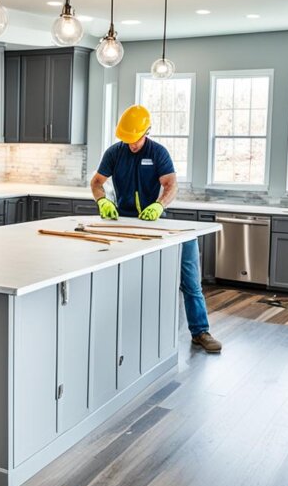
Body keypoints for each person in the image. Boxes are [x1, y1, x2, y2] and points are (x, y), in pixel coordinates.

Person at [90, 105, 222, 354]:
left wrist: (159, 206)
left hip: (157, 221)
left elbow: (171, 184)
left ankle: (200, 331)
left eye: (136, 138)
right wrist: (102, 200)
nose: (131, 144)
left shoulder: (158, 152)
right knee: (125, 280)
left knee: (190, 276)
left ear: (147, 131)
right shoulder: (114, 153)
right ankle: (127, 332)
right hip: (125, 223)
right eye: (126, 139)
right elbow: (97, 182)